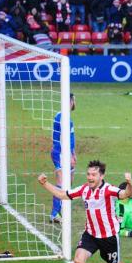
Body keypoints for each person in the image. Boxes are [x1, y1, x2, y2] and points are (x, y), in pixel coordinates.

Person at [36, 160, 132, 263]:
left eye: (94, 174)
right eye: (88, 174)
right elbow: (63, 195)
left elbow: (126, 194)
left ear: (102, 176)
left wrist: (129, 182)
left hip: (108, 237)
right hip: (91, 234)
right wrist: (45, 184)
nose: (90, 177)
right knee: (78, 260)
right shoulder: (84, 190)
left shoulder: (108, 190)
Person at [50, 93, 76, 223]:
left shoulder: (60, 115)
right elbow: (65, 139)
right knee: (61, 181)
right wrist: (70, 155)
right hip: (61, 153)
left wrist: (73, 152)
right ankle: (54, 213)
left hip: (62, 152)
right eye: (74, 100)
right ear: (70, 102)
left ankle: (61, 206)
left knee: (69, 179)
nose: (75, 103)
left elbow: (70, 139)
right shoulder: (65, 119)